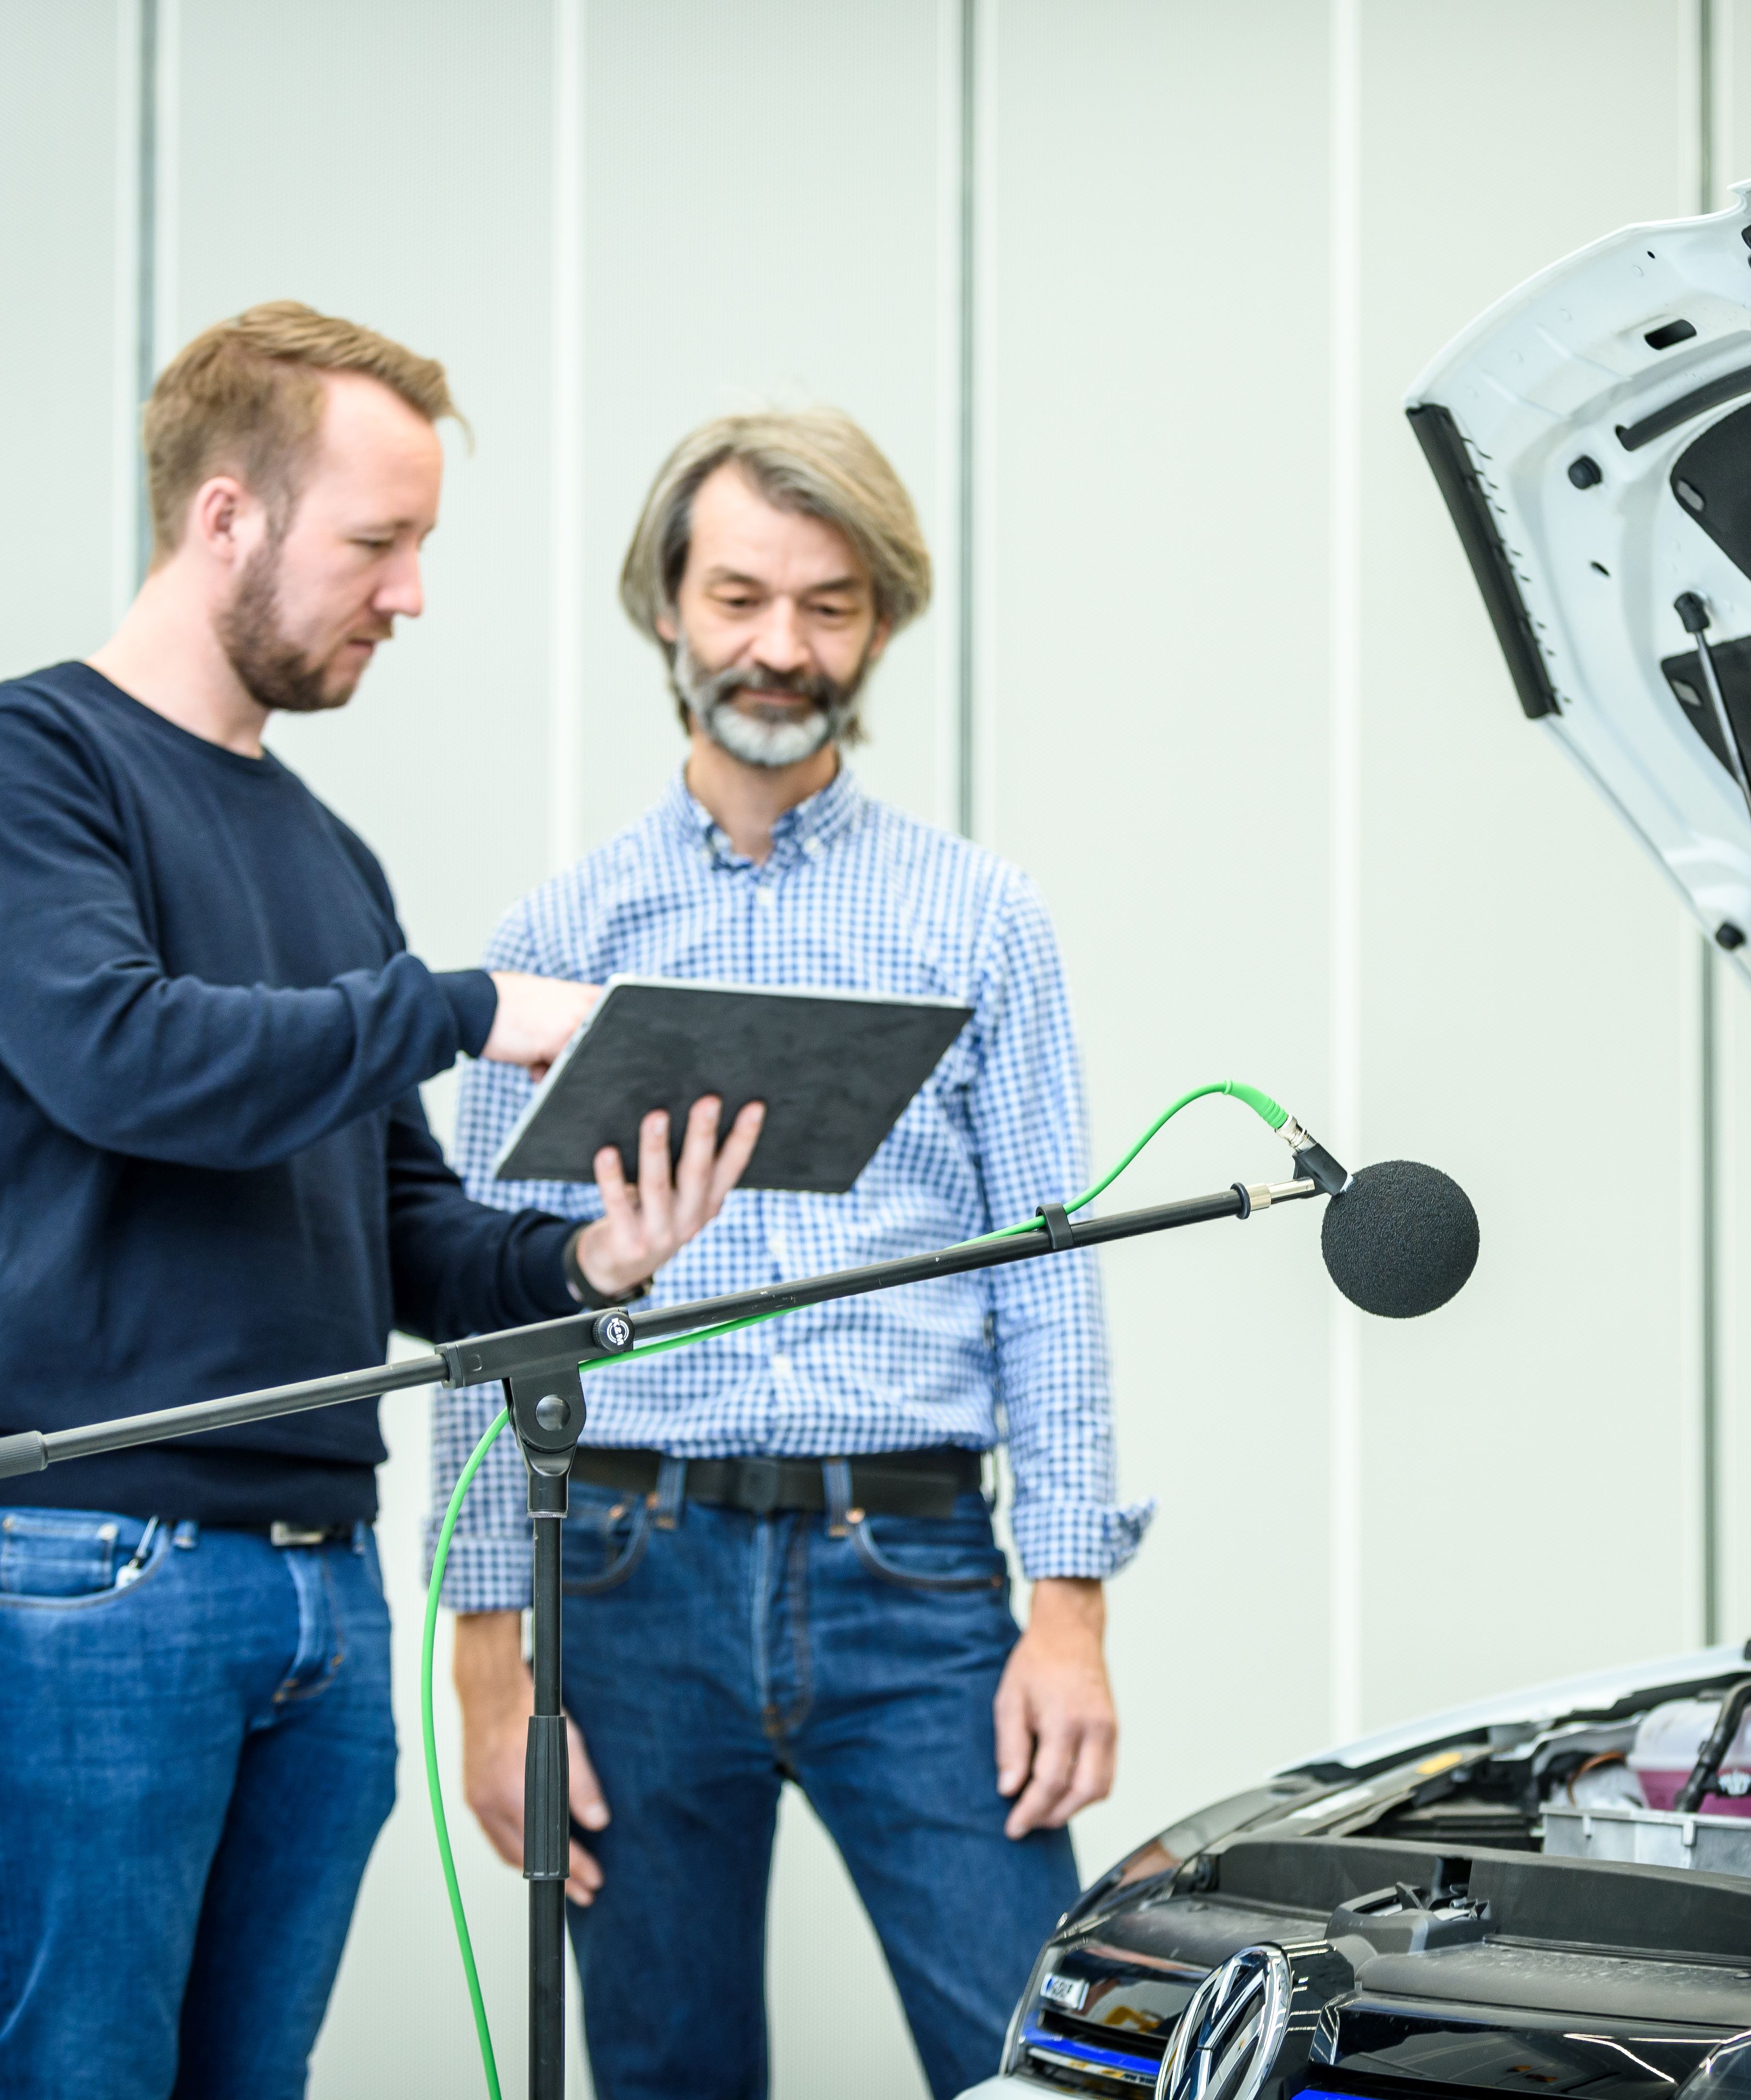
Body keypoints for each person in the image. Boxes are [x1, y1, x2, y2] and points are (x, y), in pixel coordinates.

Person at [0, 302, 762, 2100]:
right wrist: (464, 1006)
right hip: (91, 1570)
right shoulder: (21, 767)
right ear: (228, 520)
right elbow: (127, 1062)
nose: (414, 593)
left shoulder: (325, 853)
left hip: (315, 1599)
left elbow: (403, 1234)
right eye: (379, 542)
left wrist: (596, 1258)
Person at [437, 408, 1139, 2098]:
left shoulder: (981, 921)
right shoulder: (553, 942)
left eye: (828, 605)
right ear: (666, 607)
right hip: (624, 1577)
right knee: (667, 2074)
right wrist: (486, 1672)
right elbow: (488, 1322)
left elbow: (1050, 1273)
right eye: (740, 595)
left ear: (878, 623)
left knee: (1044, 2067)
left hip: (915, 1585)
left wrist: (1070, 1617)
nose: (779, 646)